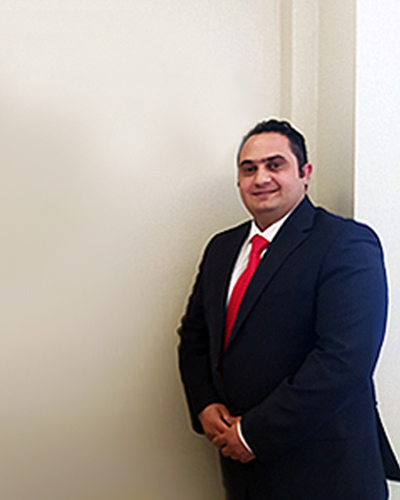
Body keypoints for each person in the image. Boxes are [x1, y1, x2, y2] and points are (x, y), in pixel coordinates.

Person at [177, 119, 400, 499]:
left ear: (304, 173)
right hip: (243, 471)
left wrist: (253, 434)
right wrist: (205, 403)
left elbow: (345, 359)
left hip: (327, 471)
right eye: (249, 169)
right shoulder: (221, 248)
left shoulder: (345, 243)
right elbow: (195, 336)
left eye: (275, 165)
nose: (261, 178)